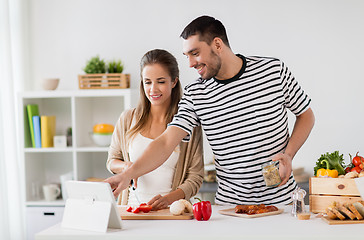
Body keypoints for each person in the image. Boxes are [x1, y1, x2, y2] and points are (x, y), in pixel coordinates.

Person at [105, 16, 315, 206]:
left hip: (281, 202)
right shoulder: (196, 93)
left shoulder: (272, 71)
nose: (190, 63)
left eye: (195, 53)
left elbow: (306, 114)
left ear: (217, 44)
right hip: (229, 208)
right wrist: (127, 174)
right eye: (187, 55)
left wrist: (288, 154)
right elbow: (166, 141)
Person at [106, 49, 204, 210]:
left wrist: (168, 199)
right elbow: (112, 161)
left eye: (161, 81)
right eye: (148, 82)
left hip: (171, 212)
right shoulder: (127, 119)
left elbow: (195, 178)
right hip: (131, 211)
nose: (153, 89)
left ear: (173, 82)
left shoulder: (187, 123)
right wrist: (127, 168)